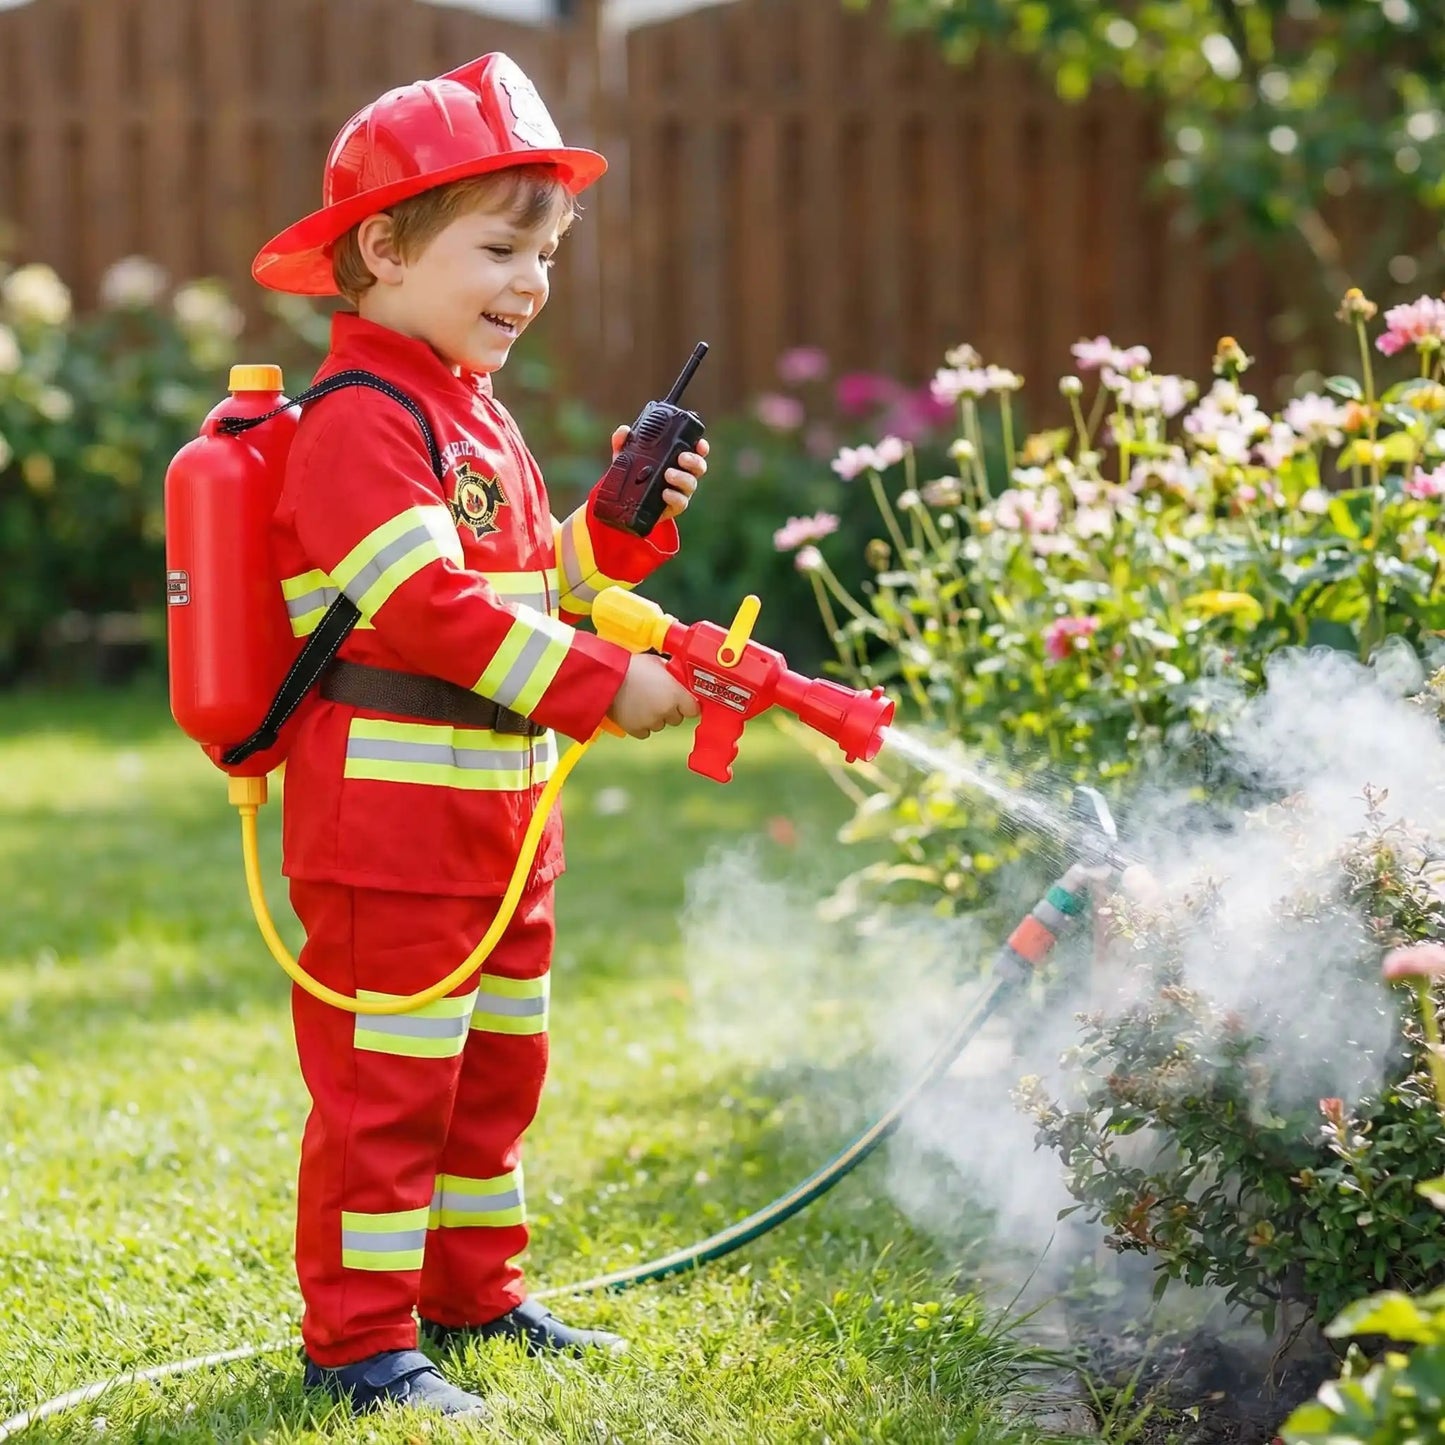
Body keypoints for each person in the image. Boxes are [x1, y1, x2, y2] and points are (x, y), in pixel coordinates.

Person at [250, 52, 707, 1419]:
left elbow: (537, 580)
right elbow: (430, 608)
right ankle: (360, 1340)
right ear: (381, 250)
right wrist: (591, 684)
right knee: (387, 1094)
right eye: (501, 247)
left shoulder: (473, 414)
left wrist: (617, 523)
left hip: (498, 829)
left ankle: (473, 1293)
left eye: (546, 253)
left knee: (492, 1076)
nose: (530, 282)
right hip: (390, 835)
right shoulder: (357, 420)